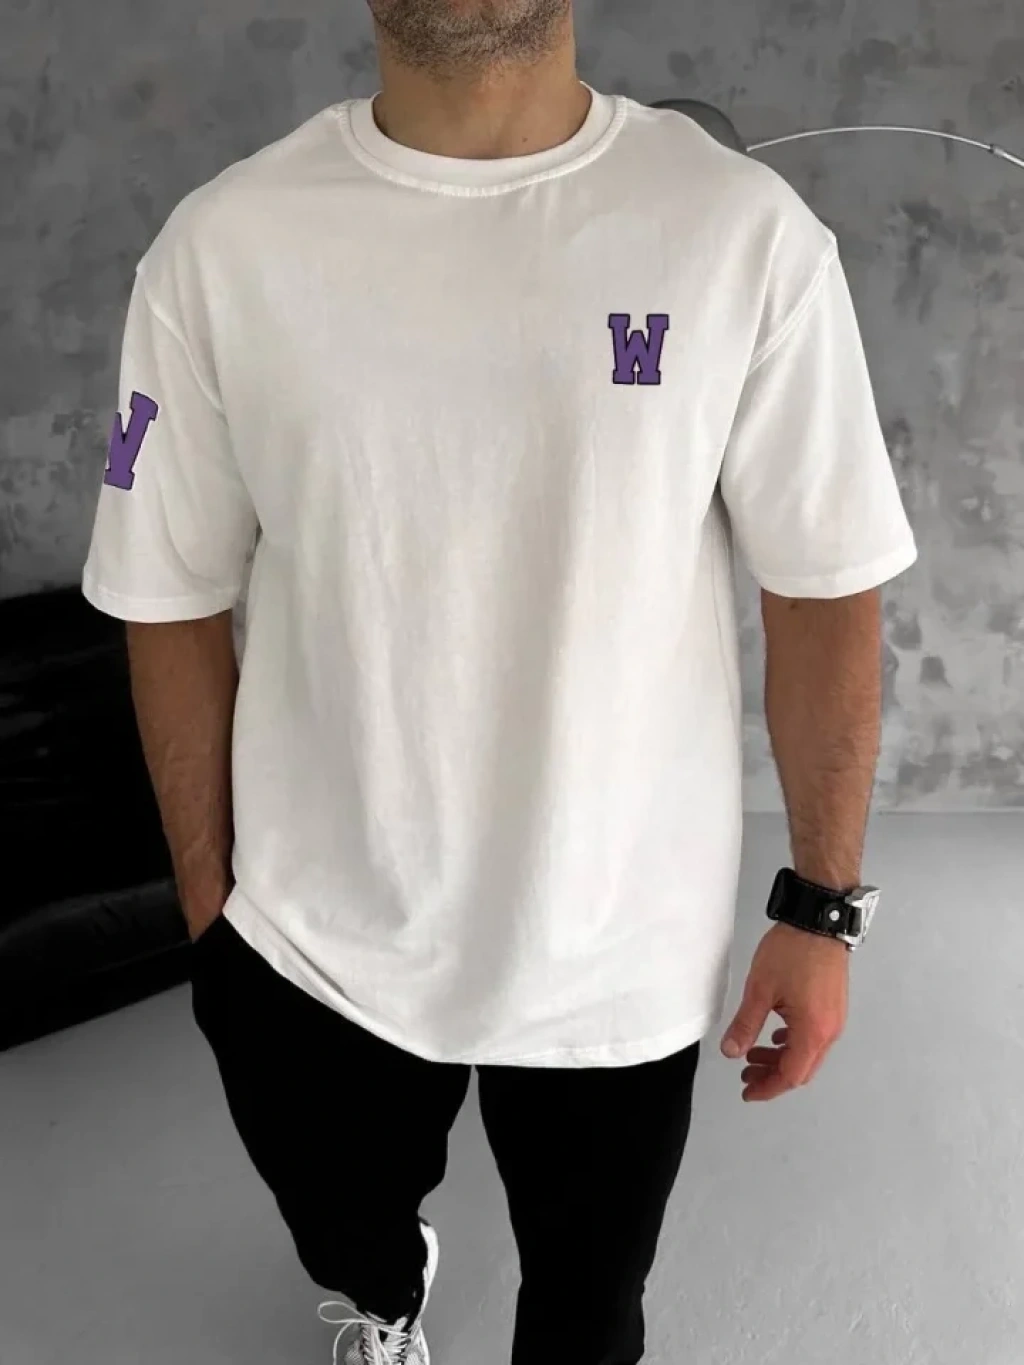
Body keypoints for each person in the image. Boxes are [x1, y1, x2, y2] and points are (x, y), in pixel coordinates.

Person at [81, 2, 918, 1362]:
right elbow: (164, 590)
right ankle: (386, 1292)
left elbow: (825, 583)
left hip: (619, 946)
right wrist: (209, 909)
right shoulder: (224, 248)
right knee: (344, 1235)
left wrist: (822, 908)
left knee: (588, 1314)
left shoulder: (741, 233)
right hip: (311, 933)